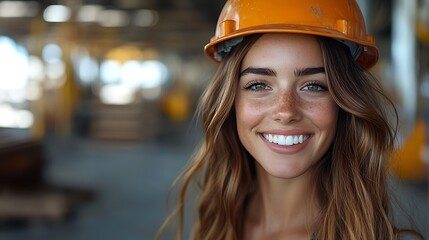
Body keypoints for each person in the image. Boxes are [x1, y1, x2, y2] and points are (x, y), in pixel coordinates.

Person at [158, 0, 425, 239]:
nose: (285, 112)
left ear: (344, 103)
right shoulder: (214, 227)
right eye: (259, 85)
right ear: (230, 102)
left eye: (313, 86)